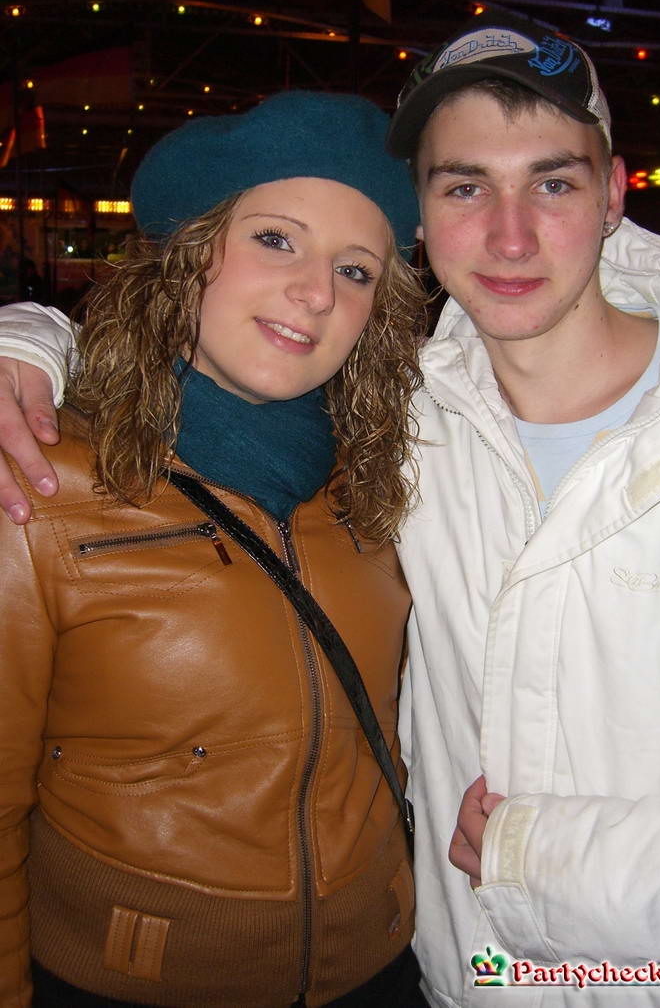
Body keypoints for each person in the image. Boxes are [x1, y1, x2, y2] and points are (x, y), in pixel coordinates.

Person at [1, 9, 660, 1005]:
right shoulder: (400, 432)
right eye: (466, 186)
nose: (510, 233)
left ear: (613, 195)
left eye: (552, 182)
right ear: (425, 217)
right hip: (436, 978)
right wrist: (31, 338)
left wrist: (540, 859)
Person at [0, 89, 431, 1008]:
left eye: (355, 271)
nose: (318, 292)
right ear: (193, 253)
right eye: (276, 239)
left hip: (382, 968)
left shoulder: (382, 484)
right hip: (133, 981)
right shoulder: (42, 478)